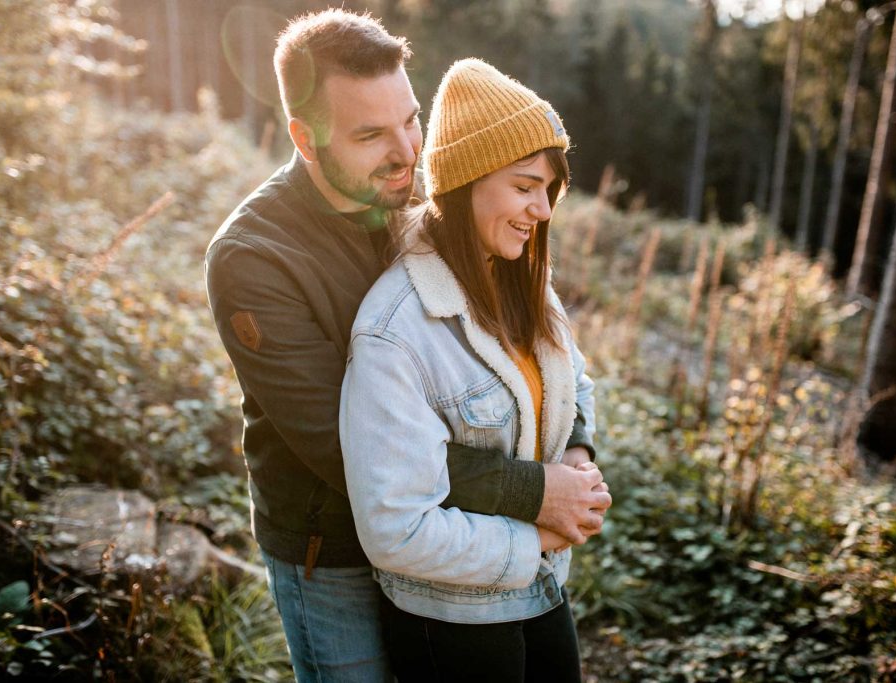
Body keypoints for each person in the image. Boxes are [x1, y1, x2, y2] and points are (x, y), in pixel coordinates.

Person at [204, 11, 610, 682]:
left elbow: (534, 340)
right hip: (330, 550)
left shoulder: (419, 190)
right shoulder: (254, 259)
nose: (406, 152)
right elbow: (350, 447)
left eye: (411, 120)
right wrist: (536, 492)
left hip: (457, 543)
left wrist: (574, 443)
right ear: (307, 139)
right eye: (371, 134)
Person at [339, 58, 602, 682]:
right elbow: (397, 529)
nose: (541, 210)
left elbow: (576, 380)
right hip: (451, 624)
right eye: (524, 186)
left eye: (549, 191)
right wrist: (540, 532)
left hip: (540, 592)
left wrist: (578, 461)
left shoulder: (521, 281)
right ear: (467, 180)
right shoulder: (394, 330)